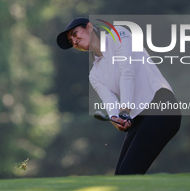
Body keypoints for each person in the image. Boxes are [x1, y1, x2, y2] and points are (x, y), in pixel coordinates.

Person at [57, 17, 181, 175]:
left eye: (75, 34)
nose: (74, 41)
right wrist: (117, 119)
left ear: (89, 27)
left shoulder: (119, 34)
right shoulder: (95, 74)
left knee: (128, 173)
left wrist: (125, 109)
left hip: (162, 106)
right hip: (138, 117)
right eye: (71, 41)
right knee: (121, 176)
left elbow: (126, 72)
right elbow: (110, 102)